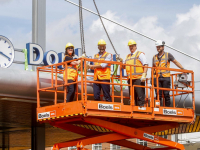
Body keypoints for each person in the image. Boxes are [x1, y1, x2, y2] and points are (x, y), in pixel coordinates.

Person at [152, 40, 184, 107]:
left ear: (163, 47)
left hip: (165, 77)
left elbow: (175, 62)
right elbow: (153, 68)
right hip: (157, 78)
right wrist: (152, 78)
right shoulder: (154, 57)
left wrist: (182, 69)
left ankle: (167, 108)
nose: (158, 48)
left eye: (159, 47)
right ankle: (157, 108)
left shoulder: (168, 55)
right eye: (157, 47)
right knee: (158, 94)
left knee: (166, 94)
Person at [123, 39, 148, 107]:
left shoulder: (140, 54)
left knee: (140, 96)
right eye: (130, 46)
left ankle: (141, 110)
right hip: (130, 79)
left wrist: (144, 75)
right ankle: (134, 110)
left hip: (138, 79)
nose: (131, 47)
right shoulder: (127, 56)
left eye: (132, 46)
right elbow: (124, 67)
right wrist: (120, 61)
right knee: (132, 97)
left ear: (135, 46)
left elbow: (145, 64)